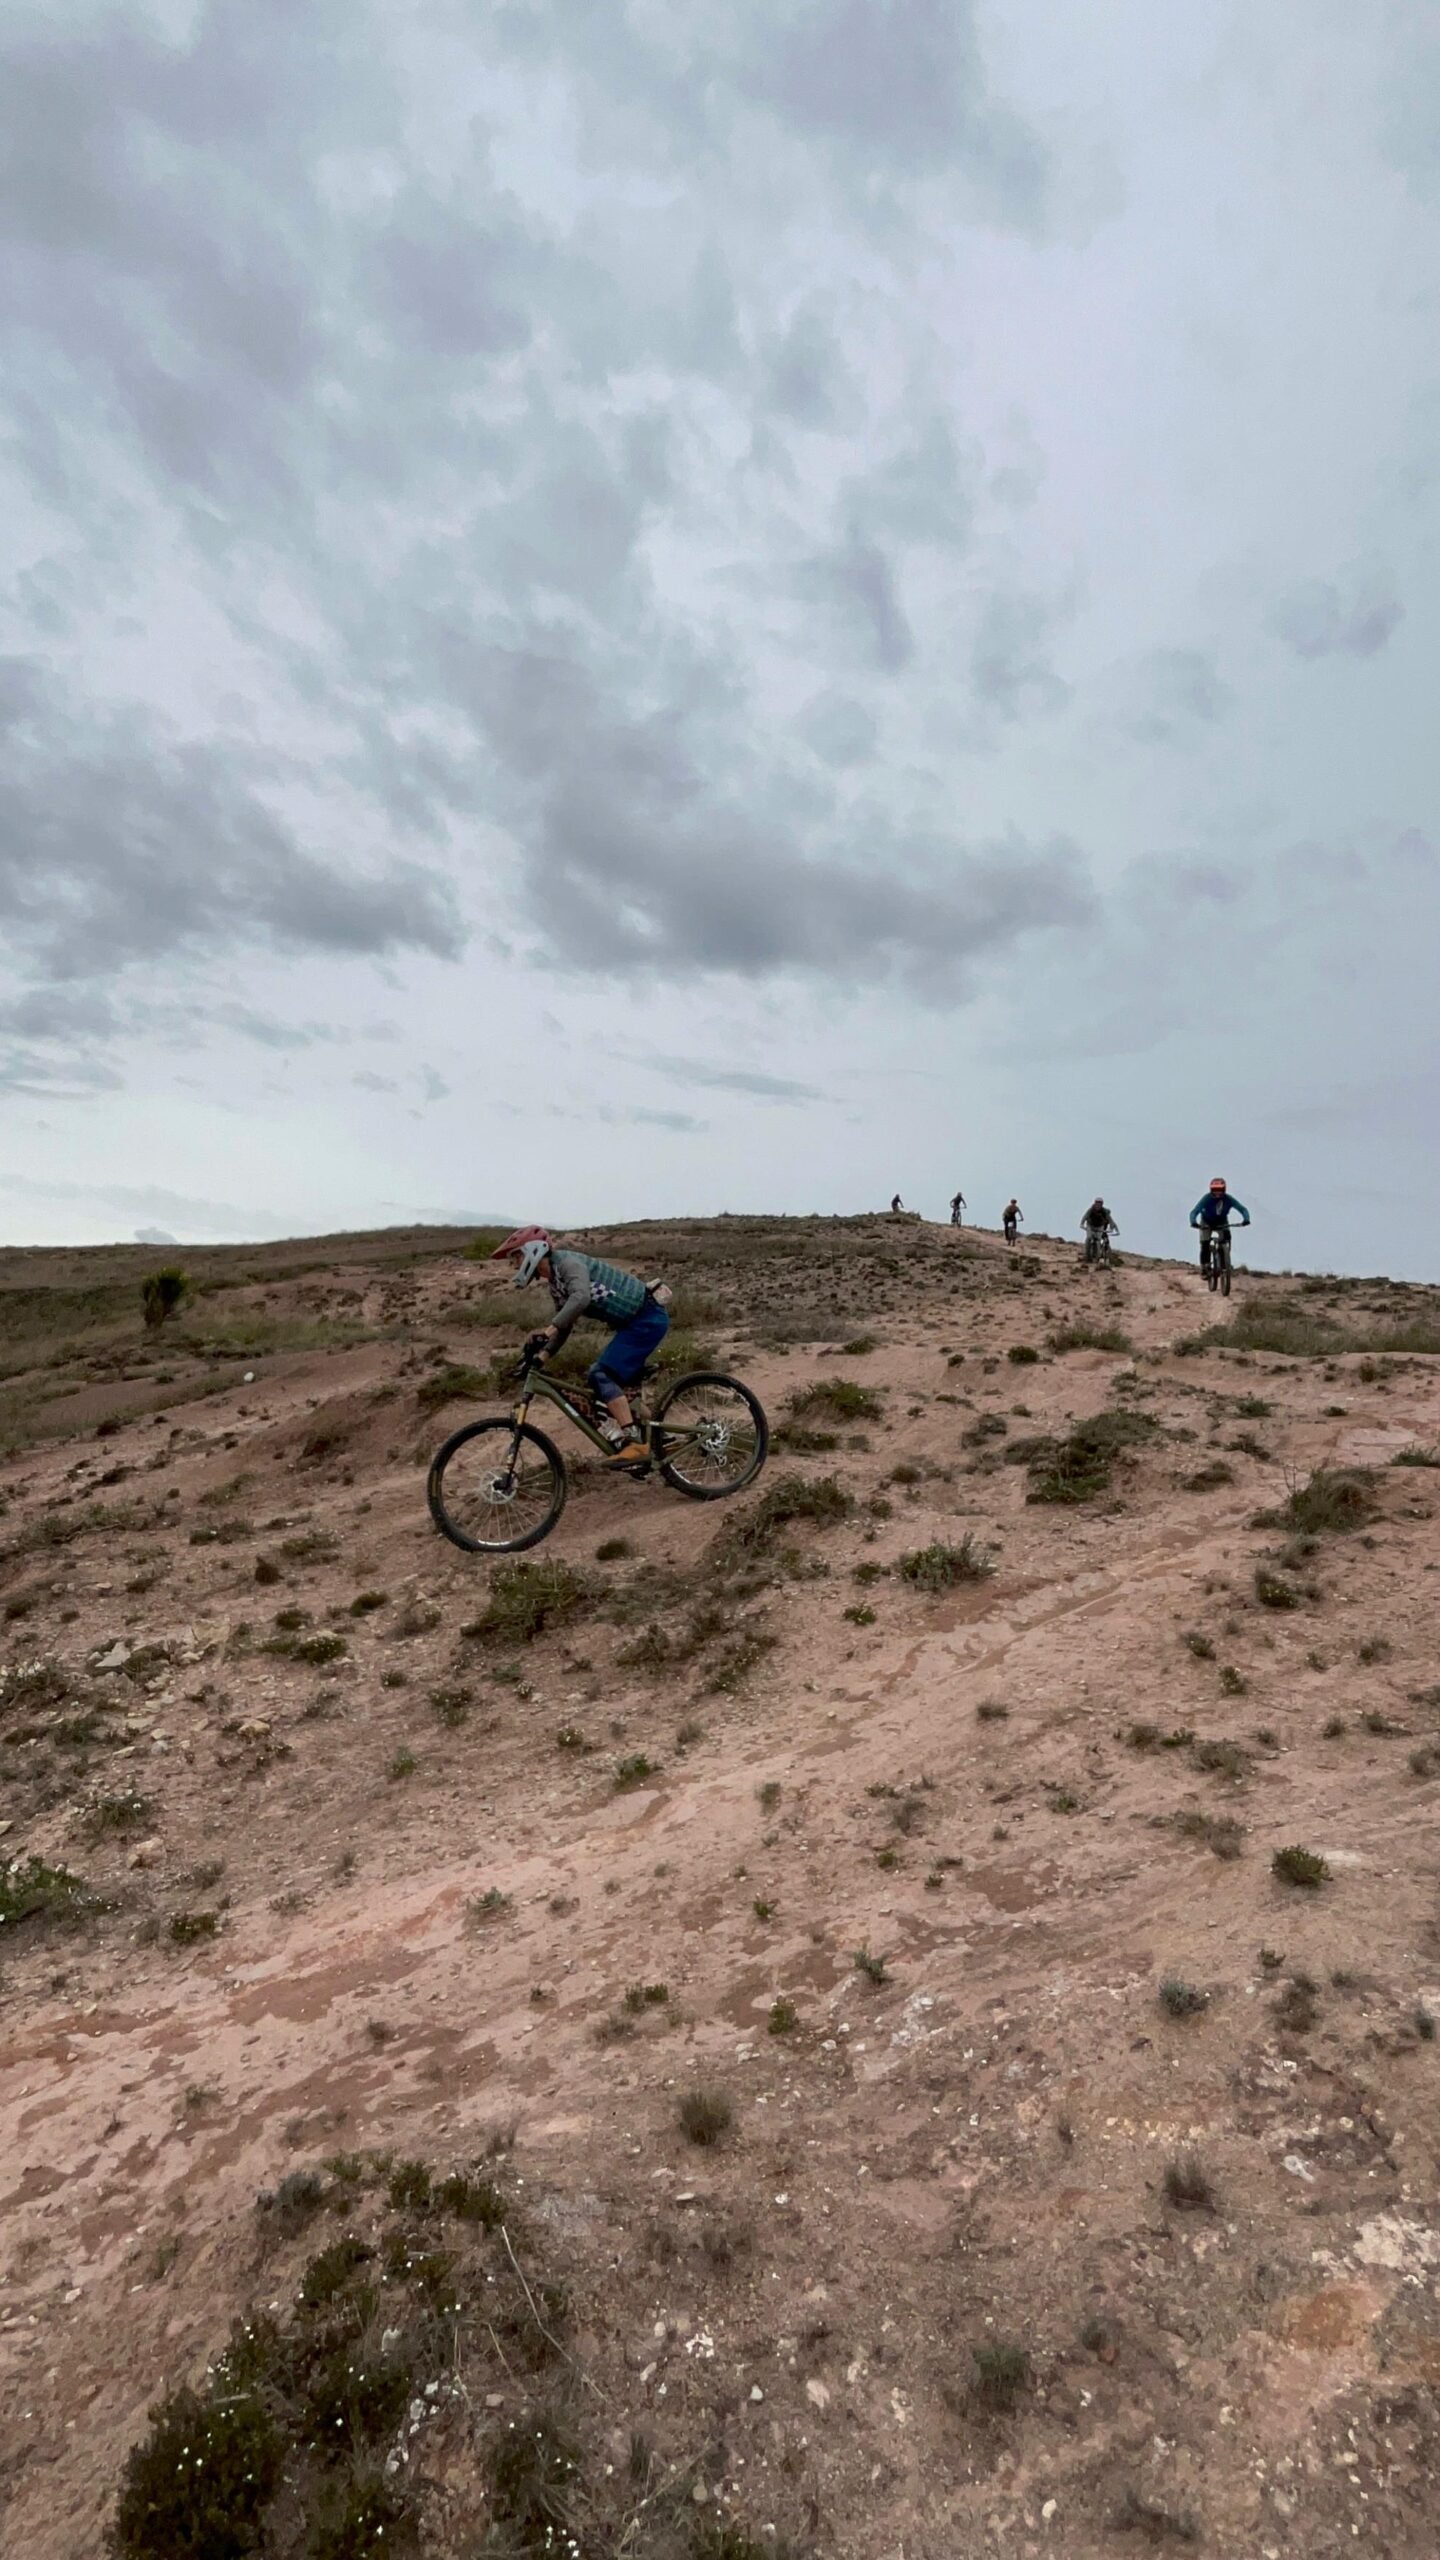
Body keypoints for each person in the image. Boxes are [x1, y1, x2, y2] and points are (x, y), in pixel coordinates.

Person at [490, 1228, 669, 1468]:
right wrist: (541, 1357)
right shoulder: (555, 1281)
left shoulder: (567, 1263)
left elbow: (580, 1298)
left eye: (516, 1256)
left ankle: (635, 1445)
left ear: (533, 1250)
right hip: (635, 1323)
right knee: (614, 1393)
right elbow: (565, 1325)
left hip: (646, 1319)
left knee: (600, 1374)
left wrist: (547, 1332)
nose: (514, 1263)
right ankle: (664, 1438)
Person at [1189, 1177, 1251, 1275]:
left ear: (1224, 1190)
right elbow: (1195, 1211)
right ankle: (1205, 1266)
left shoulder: (1228, 1199)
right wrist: (1193, 1222)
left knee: (1226, 1238)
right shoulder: (1206, 1199)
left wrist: (1246, 1219)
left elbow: (1242, 1209)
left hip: (1222, 1222)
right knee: (1205, 1243)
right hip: (1206, 1222)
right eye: (1215, 1190)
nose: (1217, 1192)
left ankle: (1224, 1263)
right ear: (1211, 1190)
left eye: (1220, 1190)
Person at [1081, 1198, 1118, 1263]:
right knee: (1089, 1238)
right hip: (1090, 1226)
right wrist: (1082, 1224)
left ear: (1102, 1204)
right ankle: (1087, 1255)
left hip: (1100, 1227)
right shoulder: (1091, 1210)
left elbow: (1111, 1221)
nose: (1098, 1205)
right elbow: (1085, 1217)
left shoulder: (1104, 1211)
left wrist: (1113, 1229)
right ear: (1094, 1203)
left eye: (1100, 1204)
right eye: (1097, 1203)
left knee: (1099, 1239)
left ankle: (1099, 1255)